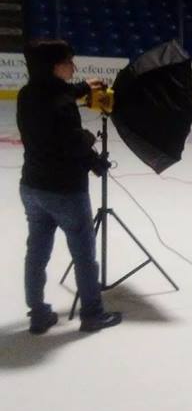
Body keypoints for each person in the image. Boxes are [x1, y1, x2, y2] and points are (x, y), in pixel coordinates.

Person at [17, 39, 122, 334]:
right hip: (64, 190)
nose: (73, 67)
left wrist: (85, 88)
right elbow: (71, 142)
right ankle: (92, 314)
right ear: (55, 66)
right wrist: (93, 157)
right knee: (84, 255)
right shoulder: (61, 104)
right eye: (69, 61)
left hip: (32, 188)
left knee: (36, 251)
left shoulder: (28, 93)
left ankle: (37, 313)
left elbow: (60, 96)